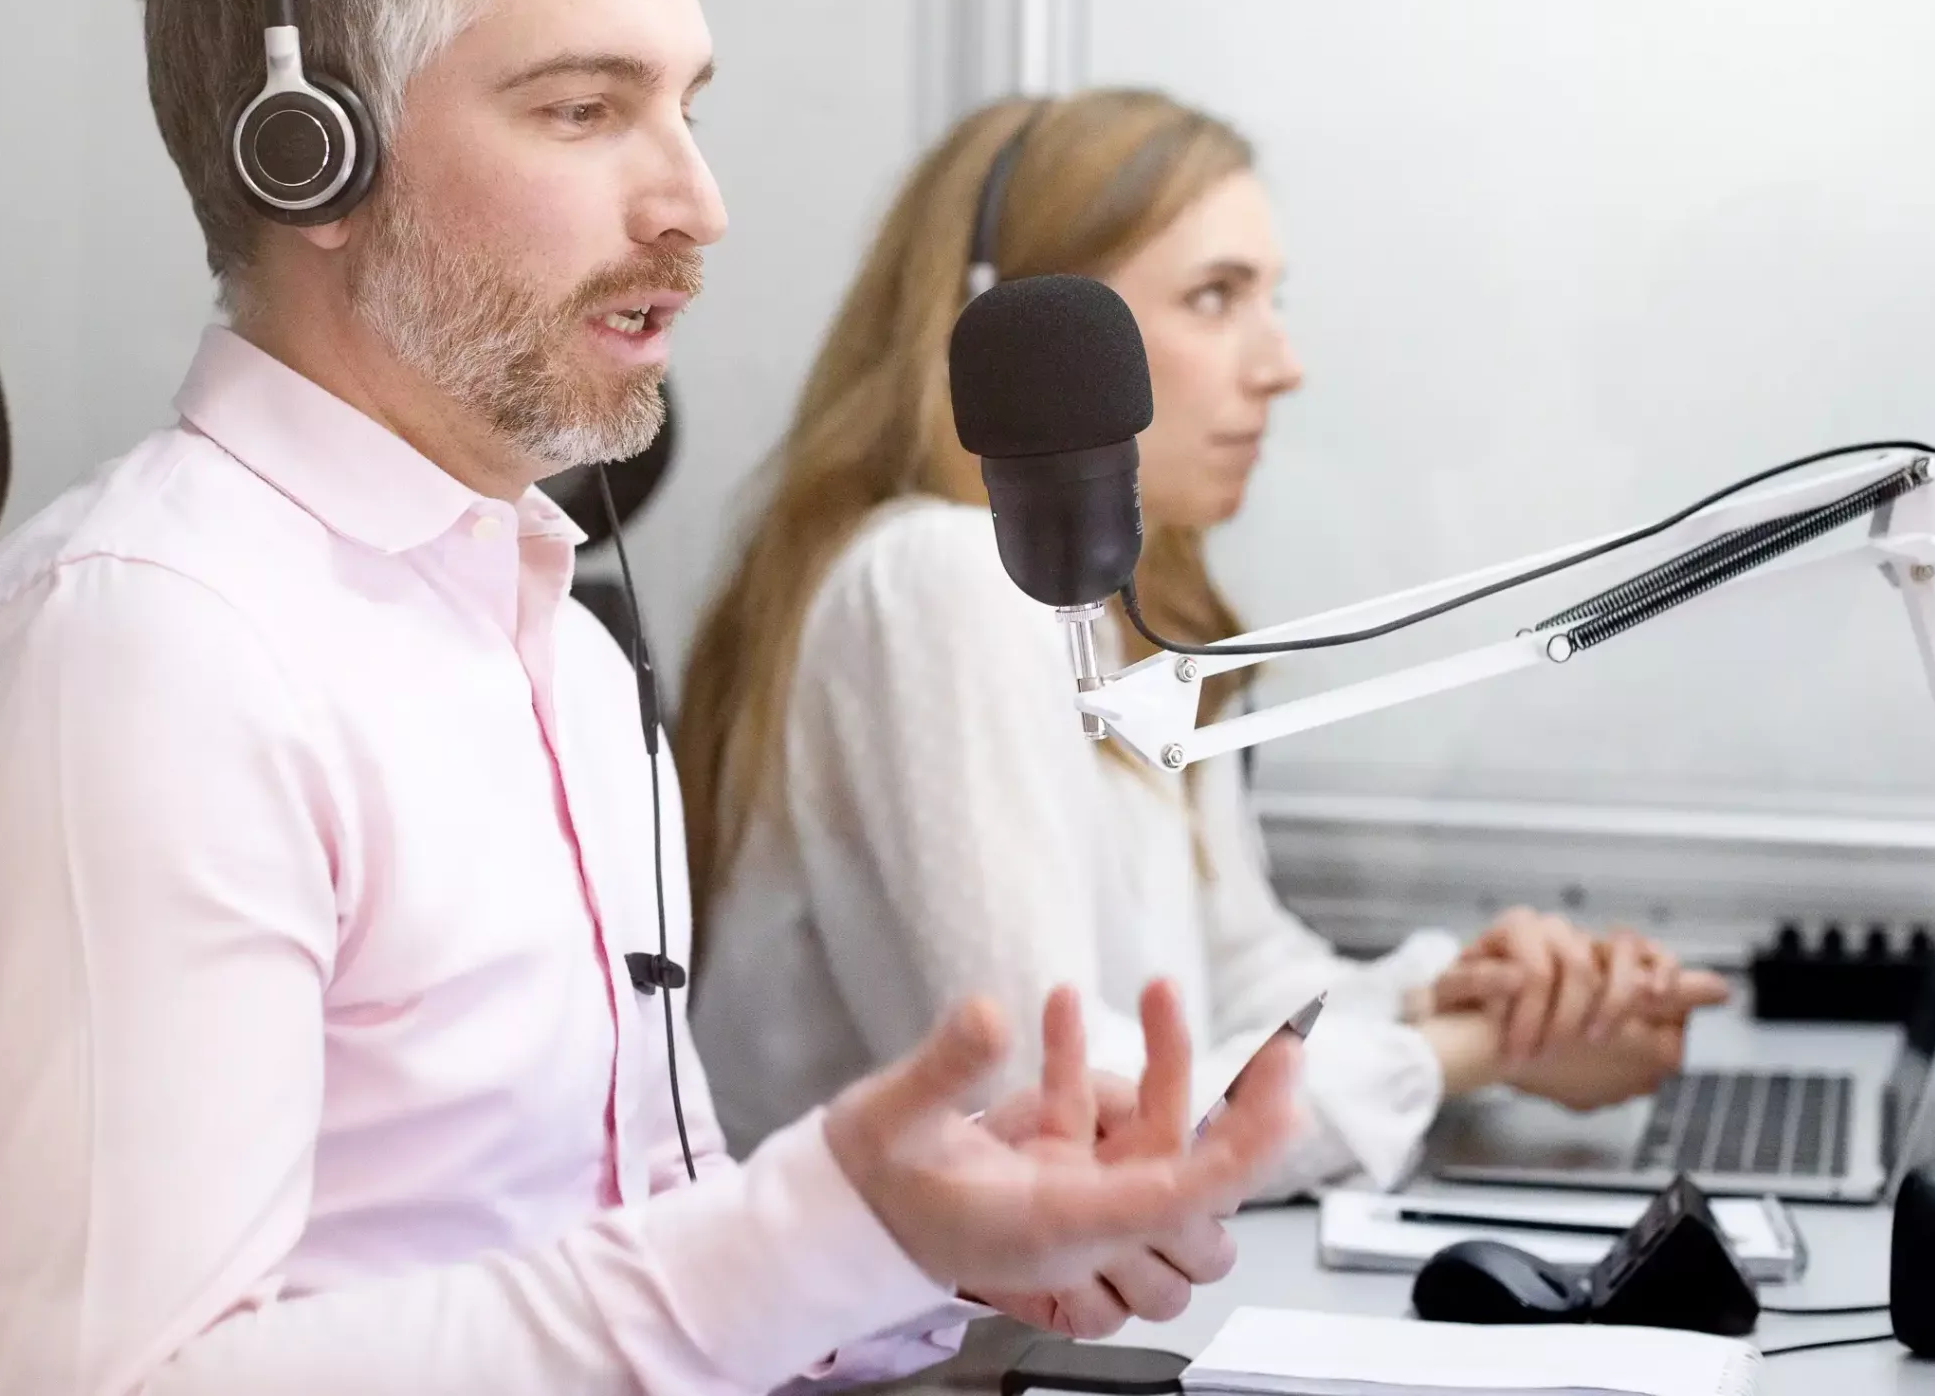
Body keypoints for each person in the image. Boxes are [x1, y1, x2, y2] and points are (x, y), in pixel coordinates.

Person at [0, 0, 1305, 1396]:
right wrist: (801, 1229)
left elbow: (617, 1270)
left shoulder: (561, 656)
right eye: (586, 109)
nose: (699, 204)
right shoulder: (152, 653)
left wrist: (924, 1234)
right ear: (312, 155)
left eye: (688, 107)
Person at [680, 89, 1732, 1195]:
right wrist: (1462, 1057)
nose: (1281, 364)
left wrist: (1458, 994)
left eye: (1270, 299)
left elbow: (1237, 981)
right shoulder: (942, 579)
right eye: (1214, 297)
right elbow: (1071, 1106)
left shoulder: (1136, 614)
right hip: (920, 1359)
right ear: (1039, 354)